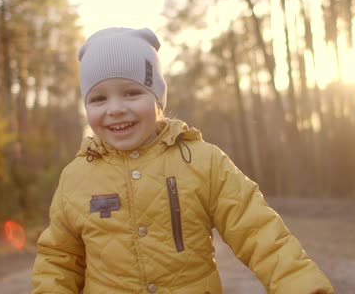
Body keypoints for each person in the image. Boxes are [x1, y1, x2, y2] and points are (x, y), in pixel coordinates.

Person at [31, 27, 334, 294]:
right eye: (99, 98)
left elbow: (260, 232)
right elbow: (58, 260)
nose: (116, 109)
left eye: (132, 92)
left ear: (157, 99)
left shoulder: (203, 161)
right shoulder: (76, 177)